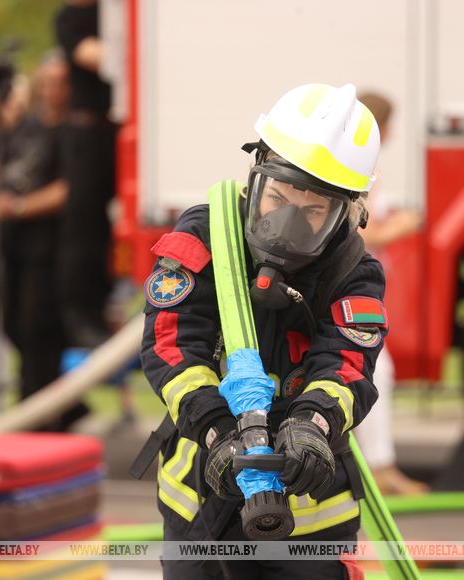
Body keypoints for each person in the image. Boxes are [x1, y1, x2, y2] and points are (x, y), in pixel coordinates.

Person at [139, 83, 384, 579]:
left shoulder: (353, 271)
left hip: (310, 511)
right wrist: (216, 429)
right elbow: (172, 347)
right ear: (256, 175)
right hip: (200, 504)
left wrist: (312, 426)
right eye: (278, 197)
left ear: (347, 212)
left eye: (313, 211)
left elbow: (345, 365)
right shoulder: (203, 238)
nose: (288, 223)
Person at [0, 53, 84, 431]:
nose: (49, 90)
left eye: (57, 82)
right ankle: (63, 407)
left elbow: (68, 189)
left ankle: (42, 418)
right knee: (16, 328)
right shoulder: (25, 128)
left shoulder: (72, 132)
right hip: (15, 248)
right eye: (44, 81)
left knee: (38, 332)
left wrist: (20, 207)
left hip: (50, 252)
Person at [354, 91, 428, 495]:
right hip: (352, 288)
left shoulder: (360, 166)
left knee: (376, 367)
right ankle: (380, 469)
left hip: (354, 286)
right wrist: (409, 223)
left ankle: (377, 465)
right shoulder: (361, 168)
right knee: (376, 367)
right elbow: (366, 235)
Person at [54, 0, 118, 348]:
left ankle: (103, 307)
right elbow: (95, 56)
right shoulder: (71, 17)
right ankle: (83, 316)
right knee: (85, 226)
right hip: (87, 135)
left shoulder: (114, 13)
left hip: (115, 132)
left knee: (104, 229)